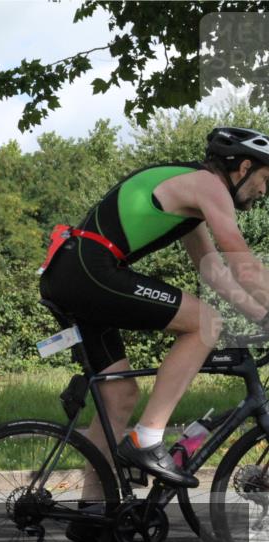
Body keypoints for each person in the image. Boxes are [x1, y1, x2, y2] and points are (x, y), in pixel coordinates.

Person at [38, 128, 269, 515]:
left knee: (120, 395)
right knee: (204, 323)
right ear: (243, 167)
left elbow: (213, 272)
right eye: (265, 180)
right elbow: (240, 260)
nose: (264, 192)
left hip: (75, 273)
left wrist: (261, 315)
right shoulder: (207, 186)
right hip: (89, 270)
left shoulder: (192, 198)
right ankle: (147, 439)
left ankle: (93, 511)